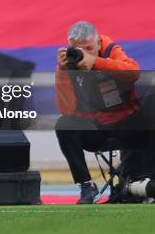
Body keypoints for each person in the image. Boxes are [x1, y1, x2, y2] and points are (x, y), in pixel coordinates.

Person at [54, 21, 145, 204]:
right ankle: (86, 185)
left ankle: (146, 179)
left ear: (98, 43)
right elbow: (67, 110)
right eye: (79, 50)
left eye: (89, 48)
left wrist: (96, 61)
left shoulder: (110, 50)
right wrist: (63, 73)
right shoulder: (69, 65)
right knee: (63, 124)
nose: (84, 54)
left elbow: (133, 72)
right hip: (96, 128)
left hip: (127, 122)